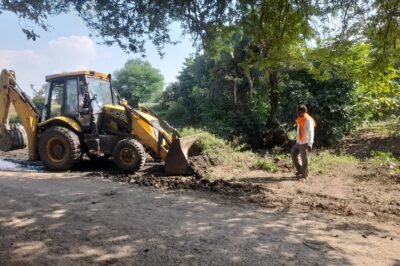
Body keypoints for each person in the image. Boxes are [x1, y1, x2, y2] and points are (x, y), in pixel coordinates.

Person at [292, 104, 316, 179]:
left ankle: (305, 175)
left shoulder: (308, 120)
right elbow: (299, 130)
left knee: (304, 159)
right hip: (299, 142)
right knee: (293, 155)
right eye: (297, 112)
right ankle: (300, 170)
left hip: (305, 142)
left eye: (299, 112)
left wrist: (310, 144)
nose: (297, 113)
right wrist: (297, 140)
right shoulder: (300, 119)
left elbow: (311, 132)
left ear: (303, 112)